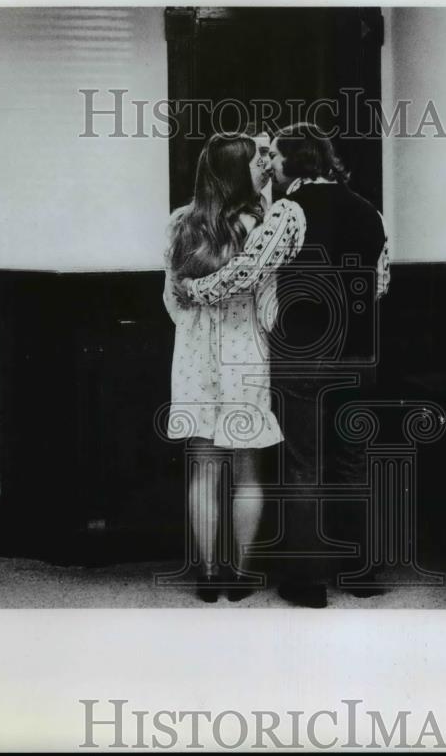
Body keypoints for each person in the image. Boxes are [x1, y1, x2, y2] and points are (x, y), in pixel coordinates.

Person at [182, 123, 391, 607]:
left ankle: (307, 581)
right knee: (352, 458)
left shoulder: (289, 212)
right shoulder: (370, 211)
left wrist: (194, 289)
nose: (267, 163)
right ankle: (363, 573)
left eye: (273, 154)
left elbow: (246, 272)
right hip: (361, 352)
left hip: (306, 353)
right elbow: (380, 282)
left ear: (294, 162)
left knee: (302, 466)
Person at [163, 132, 305, 602]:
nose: (265, 163)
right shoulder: (262, 225)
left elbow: (172, 301)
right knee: (247, 471)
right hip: (245, 353)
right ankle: (239, 575)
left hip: (193, 357)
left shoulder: (180, 222)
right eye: (257, 158)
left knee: (203, 469)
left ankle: (206, 575)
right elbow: (270, 307)